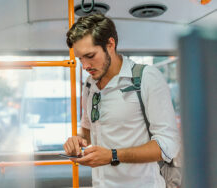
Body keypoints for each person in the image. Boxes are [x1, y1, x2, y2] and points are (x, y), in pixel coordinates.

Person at [63, 13, 180, 188]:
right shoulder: (89, 85)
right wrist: (78, 140)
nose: (85, 66)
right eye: (80, 59)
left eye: (90, 55)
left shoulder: (146, 78)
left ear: (110, 44)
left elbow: (167, 146)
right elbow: (88, 130)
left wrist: (113, 155)